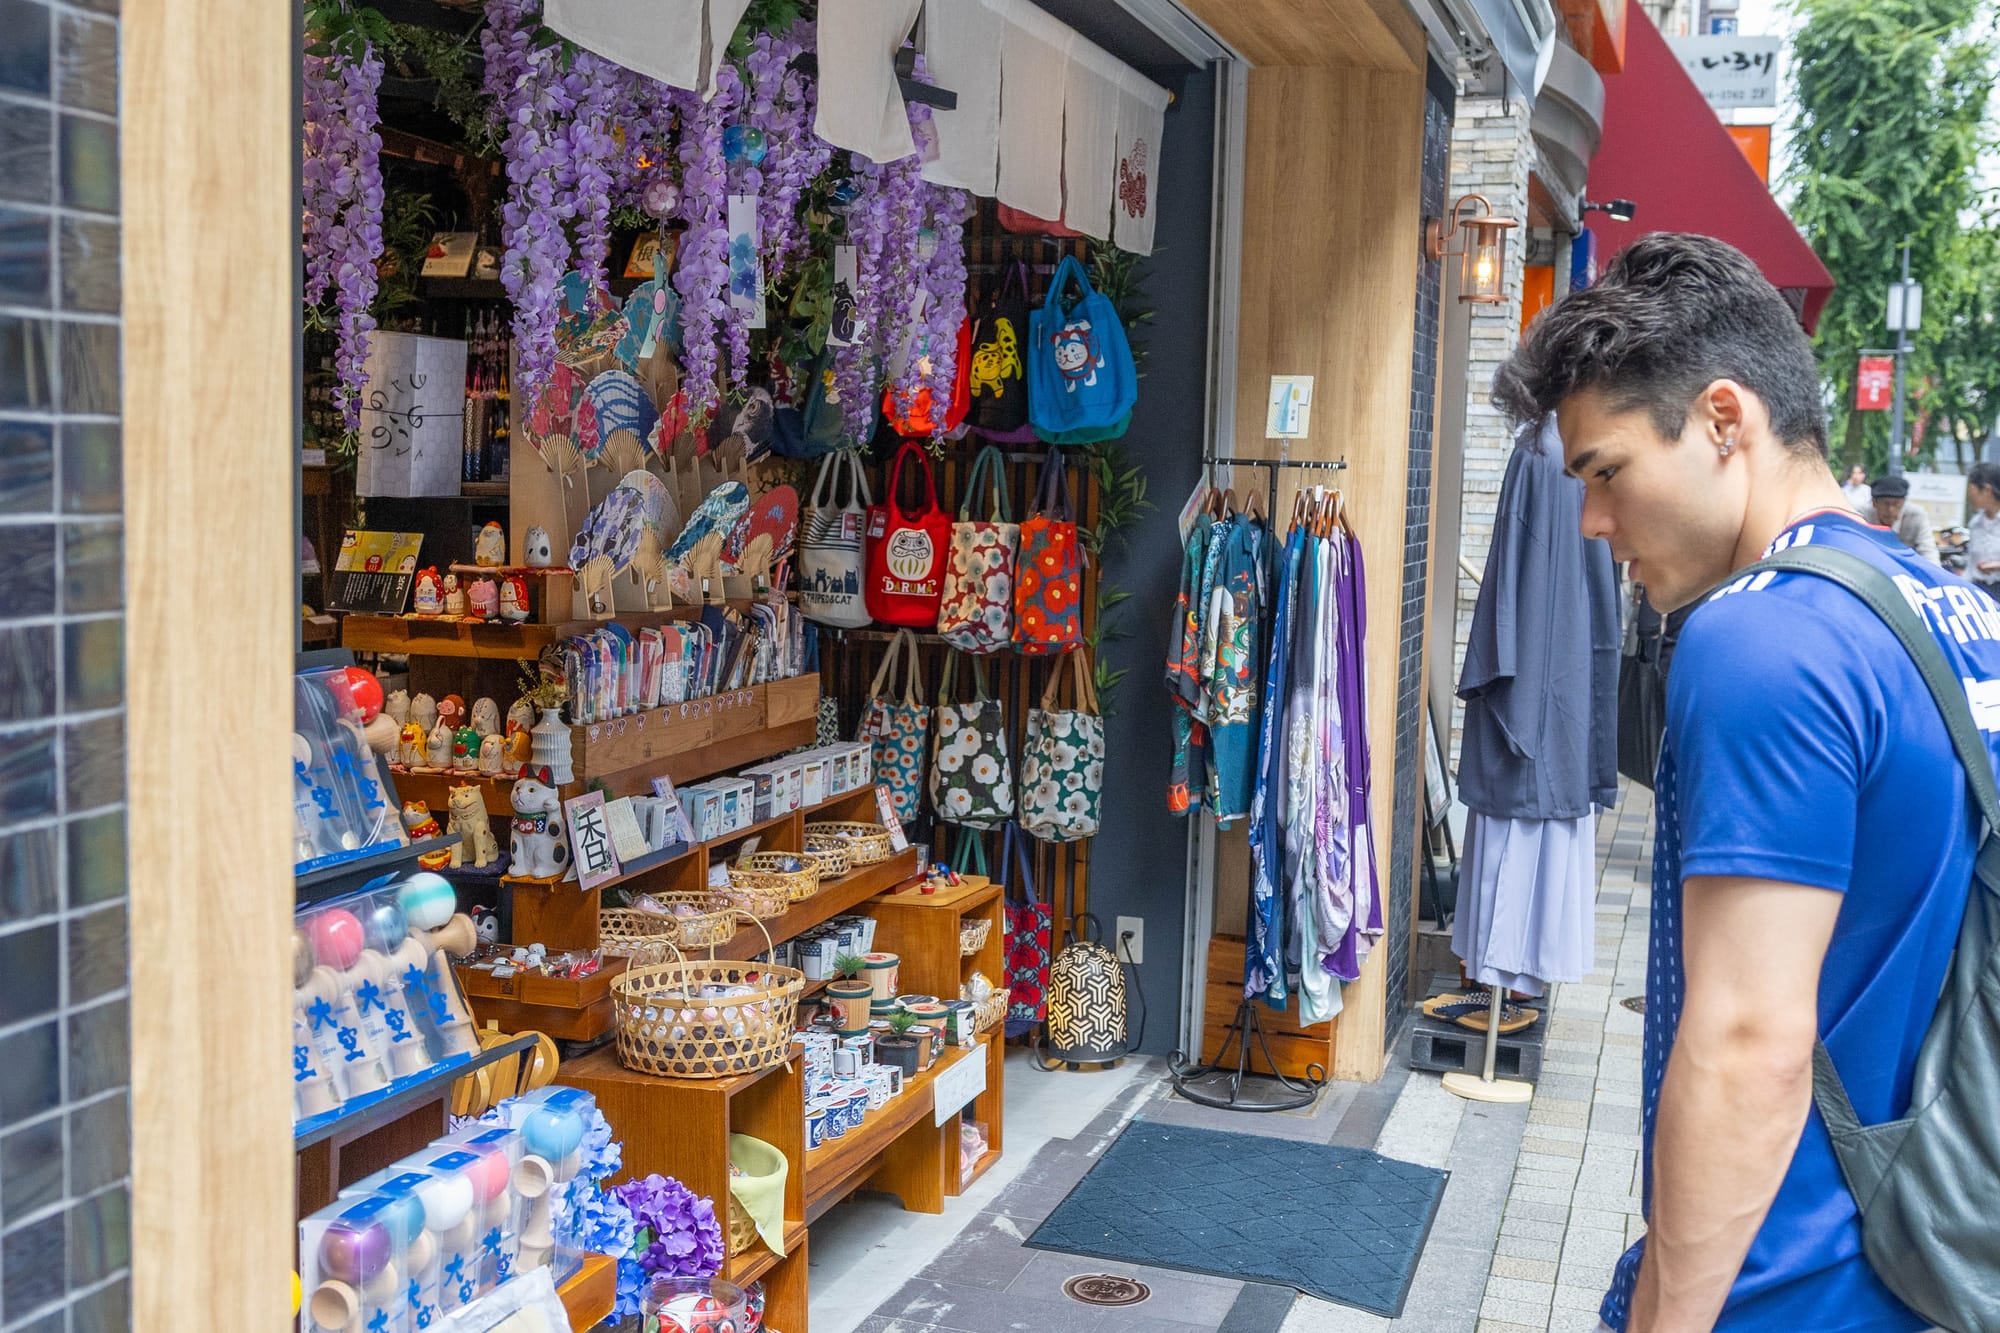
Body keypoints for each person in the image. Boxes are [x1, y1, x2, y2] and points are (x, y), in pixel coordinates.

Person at [1493, 232, 1989, 1333]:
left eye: (1605, 472)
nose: (1590, 524)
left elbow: (1746, 1040)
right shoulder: (1952, 615)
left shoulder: (1760, 637)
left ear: (1724, 419)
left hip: (1789, 1283)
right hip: (1938, 1260)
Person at [1866, 473, 1939, 563]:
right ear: (1874, 503)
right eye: (1885, 503)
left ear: (1904, 503)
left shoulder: (1917, 515)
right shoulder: (1861, 515)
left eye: (1896, 504)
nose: (1890, 510)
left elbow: (1927, 550)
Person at [1964, 461, 2000, 599]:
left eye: (1971, 490)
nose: (1969, 495)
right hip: (1979, 593)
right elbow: (1970, 565)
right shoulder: (1975, 524)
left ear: (1987, 490)